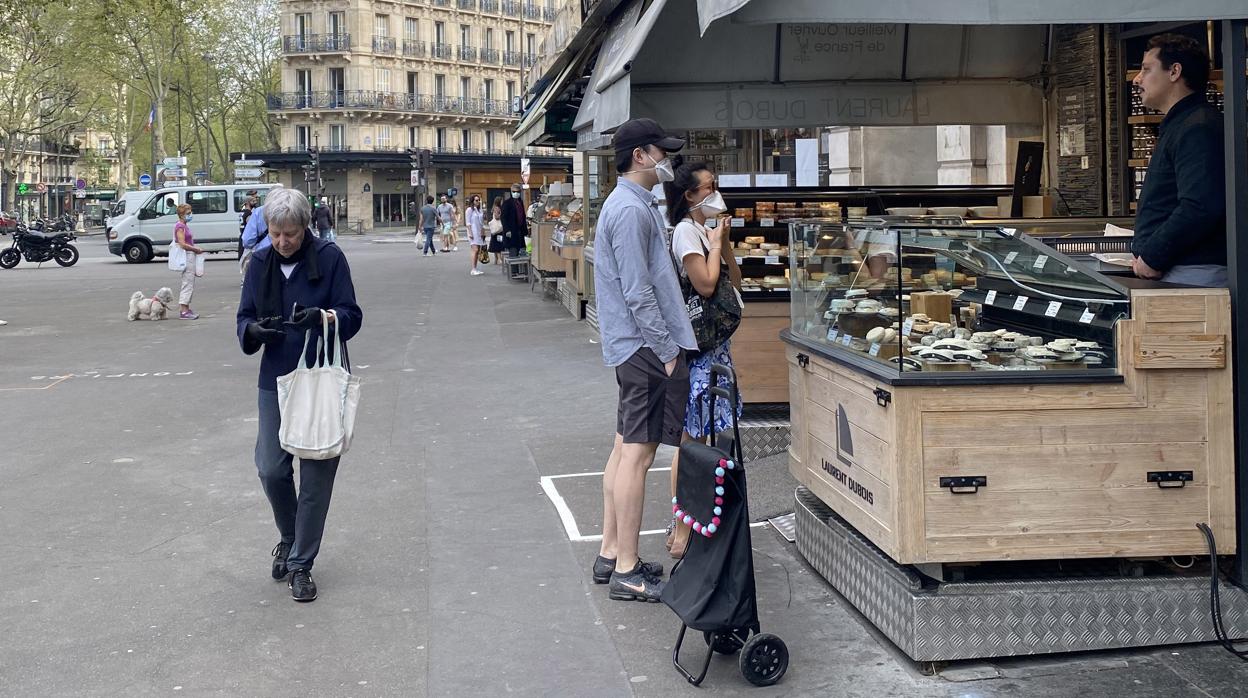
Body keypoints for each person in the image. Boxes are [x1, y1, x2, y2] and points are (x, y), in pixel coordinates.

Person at [235, 187, 363, 603]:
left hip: (322, 378)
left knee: (316, 474)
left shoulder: (329, 258)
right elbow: (244, 317)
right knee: (270, 468)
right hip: (275, 377)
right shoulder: (259, 262)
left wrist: (323, 317)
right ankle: (290, 539)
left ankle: (301, 564)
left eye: (290, 234)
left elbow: (351, 315)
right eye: (275, 234)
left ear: (305, 227)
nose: (282, 242)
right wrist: (251, 332)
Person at [591, 117, 694, 602]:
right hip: (645, 347)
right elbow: (639, 291)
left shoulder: (625, 204)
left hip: (630, 346)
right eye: (661, 150)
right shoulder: (630, 211)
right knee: (638, 454)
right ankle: (627, 569)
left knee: (623, 447)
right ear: (640, 156)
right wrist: (668, 350)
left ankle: (612, 552)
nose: (666, 159)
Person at [661, 160, 744, 558]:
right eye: (710, 187)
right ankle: (681, 525)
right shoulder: (684, 233)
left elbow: (733, 281)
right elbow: (707, 286)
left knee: (710, 435)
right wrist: (713, 245)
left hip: (716, 348)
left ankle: (704, 517)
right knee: (690, 440)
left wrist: (723, 245)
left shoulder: (706, 232)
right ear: (691, 196)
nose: (717, 193)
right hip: (697, 351)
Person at [1130, 33, 1225, 286]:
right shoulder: (1183, 124)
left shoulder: (1198, 127)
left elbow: (1200, 206)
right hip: (1179, 269)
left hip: (1194, 272)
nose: (1137, 79)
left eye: (1146, 69)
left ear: (1174, 71)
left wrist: (1152, 256)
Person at [172, 203, 204, 320]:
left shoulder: (184, 225)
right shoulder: (180, 226)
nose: (191, 215)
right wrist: (195, 249)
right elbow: (182, 244)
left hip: (189, 255)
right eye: (188, 213)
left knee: (189, 282)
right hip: (187, 256)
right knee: (187, 283)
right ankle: (184, 310)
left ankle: (186, 308)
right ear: (181, 214)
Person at [500, 184, 527, 257]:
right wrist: (507, 230)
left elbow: (523, 216)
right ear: (511, 192)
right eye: (514, 191)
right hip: (511, 231)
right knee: (513, 252)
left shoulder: (520, 202)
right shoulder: (507, 203)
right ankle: (514, 268)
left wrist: (525, 230)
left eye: (518, 191)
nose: (516, 193)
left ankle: (521, 268)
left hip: (520, 231)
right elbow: (503, 218)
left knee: (522, 252)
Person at [466, 195, 485, 276]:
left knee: (478, 250)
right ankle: (473, 269)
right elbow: (468, 223)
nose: (478, 202)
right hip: (473, 231)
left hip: (479, 231)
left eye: (479, 200)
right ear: (472, 201)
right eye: (476, 200)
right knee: (475, 249)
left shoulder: (479, 210)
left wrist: (483, 232)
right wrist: (470, 233)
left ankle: (475, 268)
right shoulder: (469, 210)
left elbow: (482, 223)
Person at [488, 196, 506, 265]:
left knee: (495, 243)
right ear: (499, 201)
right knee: (499, 244)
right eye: (501, 201)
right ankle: (499, 259)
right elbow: (496, 217)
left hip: (495, 230)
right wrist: (503, 215)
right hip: (498, 229)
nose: (502, 202)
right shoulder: (497, 208)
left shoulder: (494, 207)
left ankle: (496, 259)